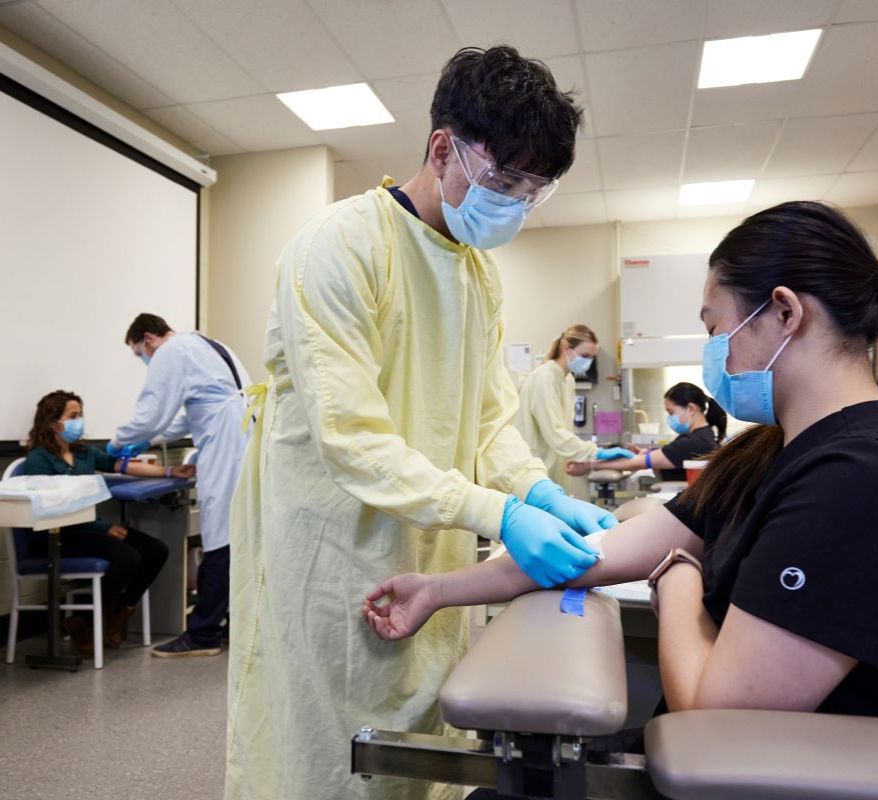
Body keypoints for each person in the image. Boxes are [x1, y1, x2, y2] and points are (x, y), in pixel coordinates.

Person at [365, 203, 878, 786]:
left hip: (775, 775)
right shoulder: (771, 452)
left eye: (714, 328)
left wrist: (677, 579)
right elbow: (605, 550)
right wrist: (440, 590)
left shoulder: (868, 479)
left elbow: (718, 714)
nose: (714, 353)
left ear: (784, 312)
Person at [225, 46, 615, 800]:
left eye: (533, 193)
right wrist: (495, 509)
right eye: (505, 181)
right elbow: (353, 438)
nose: (515, 206)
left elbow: (489, 422)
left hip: (428, 537)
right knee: (331, 748)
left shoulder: (476, 273)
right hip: (331, 545)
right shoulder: (337, 247)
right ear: (443, 149)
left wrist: (534, 491)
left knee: (425, 738)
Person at [107, 313, 250, 658]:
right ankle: (233, 623)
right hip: (243, 435)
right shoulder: (208, 344)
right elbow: (188, 414)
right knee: (240, 535)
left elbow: (151, 412)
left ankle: (203, 634)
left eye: (139, 352)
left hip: (225, 442)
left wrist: (118, 441)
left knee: (219, 536)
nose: (144, 359)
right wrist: (151, 438)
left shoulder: (171, 352)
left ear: (148, 339)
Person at [23, 390, 192, 656]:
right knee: (127, 558)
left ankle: (116, 615)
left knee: (156, 550)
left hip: (89, 529)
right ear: (54, 422)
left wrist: (170, 471)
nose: (79, 421)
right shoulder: (39, 460)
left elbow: (122, 466)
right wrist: (104, 529)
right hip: (60, 534)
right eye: (73, 416)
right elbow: (54, 508)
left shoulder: (84, 453)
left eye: (80, 415)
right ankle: (86, 621)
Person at [515, 324, 634, 486]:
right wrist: (595, 452)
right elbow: (554, 432)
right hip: (536, 466)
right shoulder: (543, 378)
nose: (588, 362)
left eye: (592, 357)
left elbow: (564, 429)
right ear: (566, 348)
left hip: (554, 465)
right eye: (584, 355)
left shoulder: (567, 379)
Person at [566, 382, 725, 482]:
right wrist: (647, 453)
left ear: (691, 408)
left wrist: (589, 465)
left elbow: (636, 463)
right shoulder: (704, 435)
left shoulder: (693, 442)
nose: (670, 418)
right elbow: (668, 456)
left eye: (671, 412)